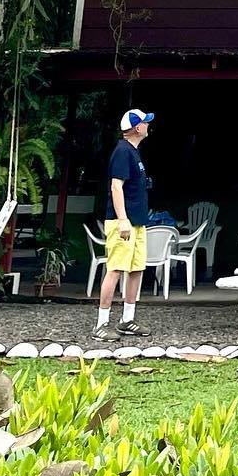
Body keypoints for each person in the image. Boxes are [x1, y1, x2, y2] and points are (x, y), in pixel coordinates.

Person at [95, 109, 154, 339]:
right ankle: (101, 324)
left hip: (137, 221)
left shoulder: (134, 152)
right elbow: (116, 186)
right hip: (124, 221)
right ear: (137, 128)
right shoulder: (122, 152)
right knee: (116, 269)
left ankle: (127, 319)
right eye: (145, 123)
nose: (148, 126)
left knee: (137, 268)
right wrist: (122, 220)